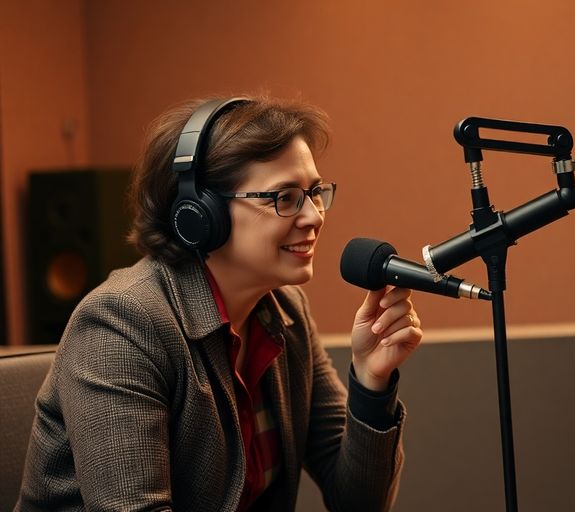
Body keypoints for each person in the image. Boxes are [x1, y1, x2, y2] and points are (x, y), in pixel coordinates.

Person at [17, 96, 423, 511]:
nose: (315, 215)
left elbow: (358, 502)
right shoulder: (121, 325)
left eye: (315, 192)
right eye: (285, 197)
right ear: (200, 215)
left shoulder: (286, 312)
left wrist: (371, 381)